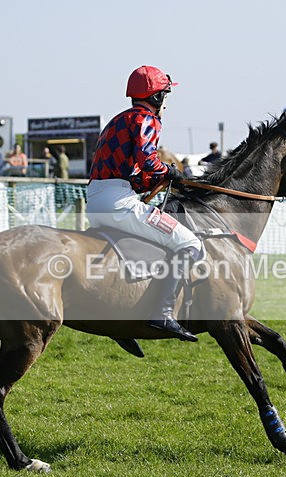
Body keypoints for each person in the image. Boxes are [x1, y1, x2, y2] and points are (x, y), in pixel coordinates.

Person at [87, 65, 202, 342]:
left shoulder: (118, 119)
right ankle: (162, 312)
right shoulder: (146, 118)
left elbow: (131, 172)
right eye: (165, 95)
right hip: (118, 203)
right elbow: (147, 160)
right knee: (191, 244)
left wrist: (150, 182)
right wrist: (169, 171)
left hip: (97, 201)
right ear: (156, 97)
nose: (166, 102)